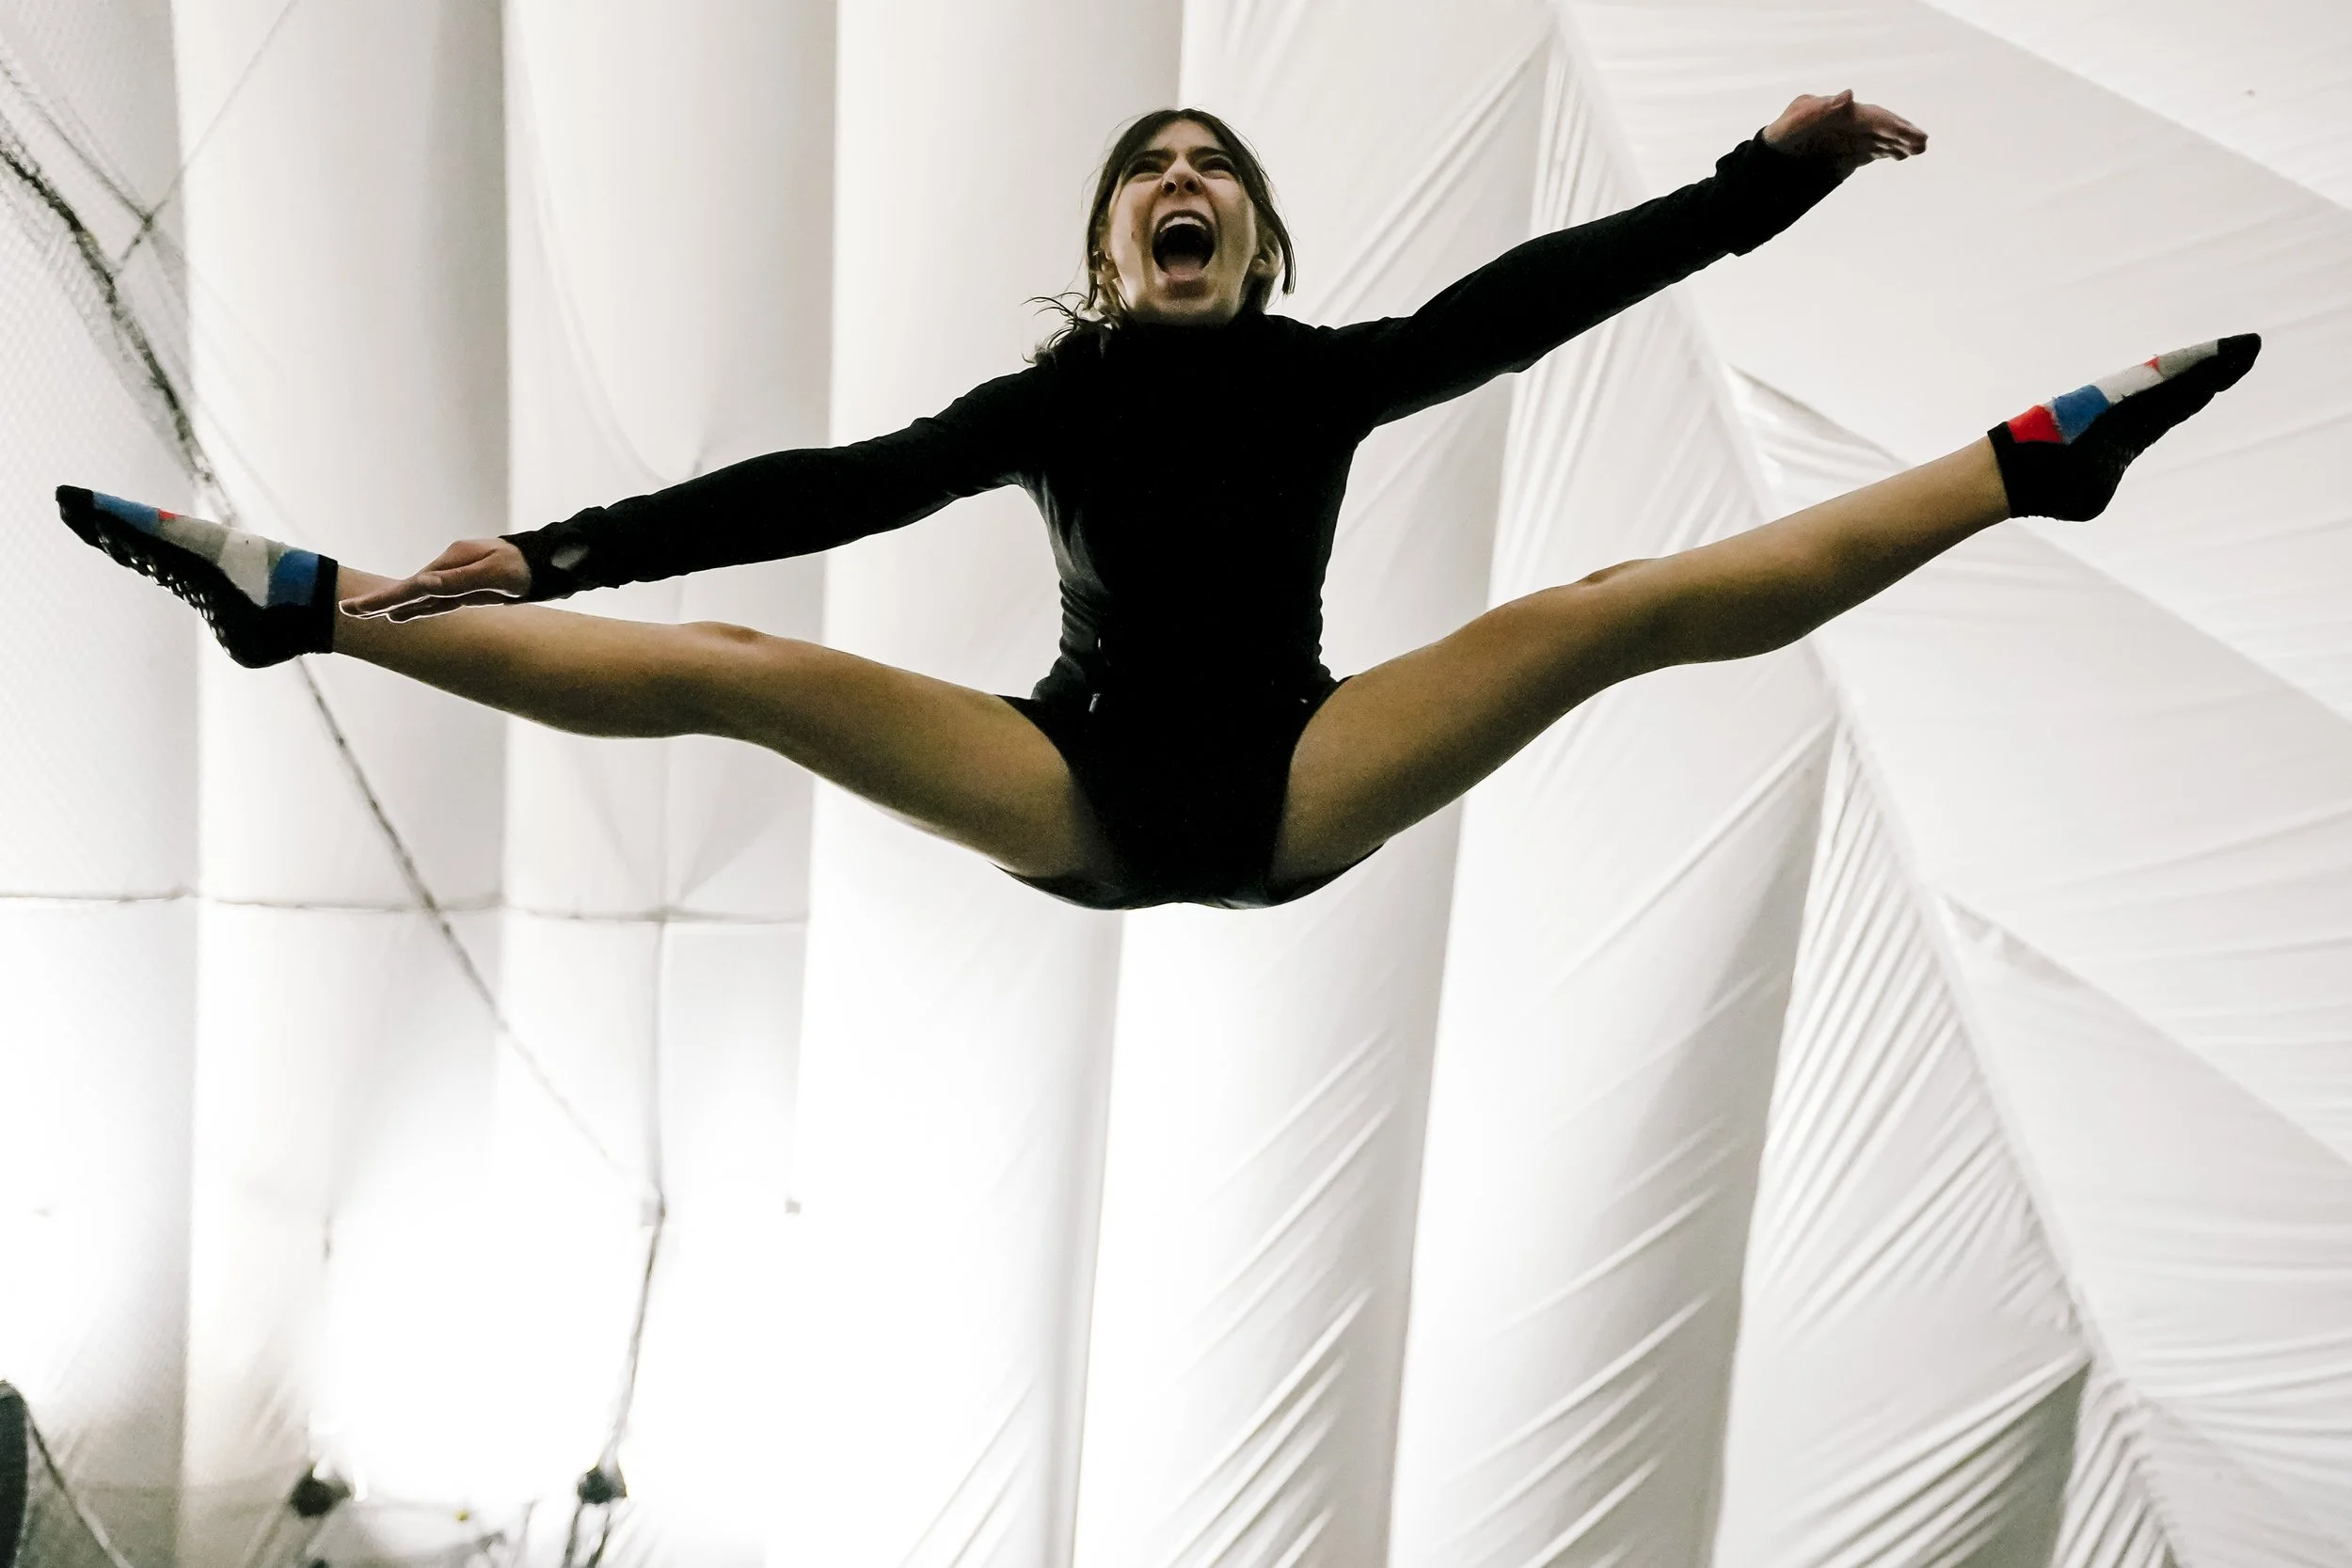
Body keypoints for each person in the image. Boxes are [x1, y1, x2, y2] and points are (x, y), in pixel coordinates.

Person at [57, 92, 2258, 911]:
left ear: (1255, 244)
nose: (1182, 188)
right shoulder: (1046, 400)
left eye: (1212, 175)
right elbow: (819, 483)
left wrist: (1753, 191)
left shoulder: (1329, 370)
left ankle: (2019, 469)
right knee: (745, 668)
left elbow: (1538, 294)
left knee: (1605, 598)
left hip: (1297, 767)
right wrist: (548, 550)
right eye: (1148, 180)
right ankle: (317, 606)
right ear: (1111, 252)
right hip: (1085, 781)